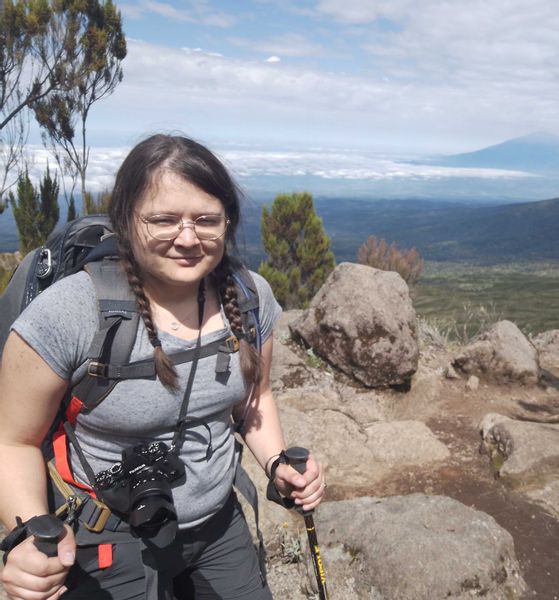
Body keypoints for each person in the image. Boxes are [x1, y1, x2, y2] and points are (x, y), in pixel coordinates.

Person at [0, 133, 325, 599]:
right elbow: (12, 440)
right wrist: (31, 534)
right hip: (105, 536)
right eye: (164, 220)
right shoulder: (69, 313)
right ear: (127, 220)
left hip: (217, 526)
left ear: (227, 221)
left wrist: (277, 463)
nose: (188, 238)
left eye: (207, 221)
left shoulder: (248, 298)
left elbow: (257, 399)